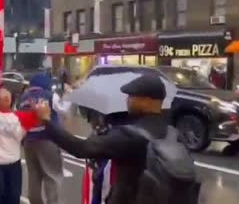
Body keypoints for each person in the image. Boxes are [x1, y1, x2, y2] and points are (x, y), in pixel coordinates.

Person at [35, 75, 199, 204]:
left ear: (147, 100)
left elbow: (81, 148)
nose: (128, 100)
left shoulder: (130, 135)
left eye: (132, 96)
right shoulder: (173, 133)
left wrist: (46, 121)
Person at [0, 54, 45, 204]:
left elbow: (39, 117)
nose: (5, 95)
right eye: (1, 95)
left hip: (13, 165)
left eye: (7, 93)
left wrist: (39, 111)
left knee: (13, 199)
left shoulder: (21, 117)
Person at [18, 73, 67, 204]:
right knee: (52, 177)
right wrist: (69, 95)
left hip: (29, 141)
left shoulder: (23, 98)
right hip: (48, 139)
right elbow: (64, 109)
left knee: (34, 177)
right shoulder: (49, 96)